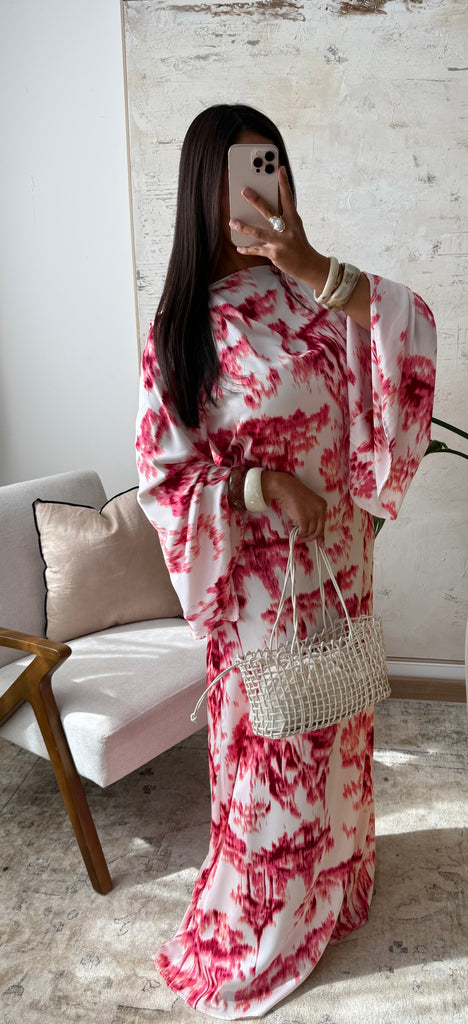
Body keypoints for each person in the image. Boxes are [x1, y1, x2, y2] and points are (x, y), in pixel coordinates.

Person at [135, 103, 436, 1019]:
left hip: (339, 568)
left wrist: (313, 268)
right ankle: (267, 919)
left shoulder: (321, 295)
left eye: (272, 167)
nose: (261, 191)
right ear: (205, 191)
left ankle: (335, 889)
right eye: (241, 174)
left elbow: (409, 336)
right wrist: (259, 487)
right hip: (261, 589)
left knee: (337, 735)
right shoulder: (182, 331)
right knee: (273, 761)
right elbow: (165, 479)